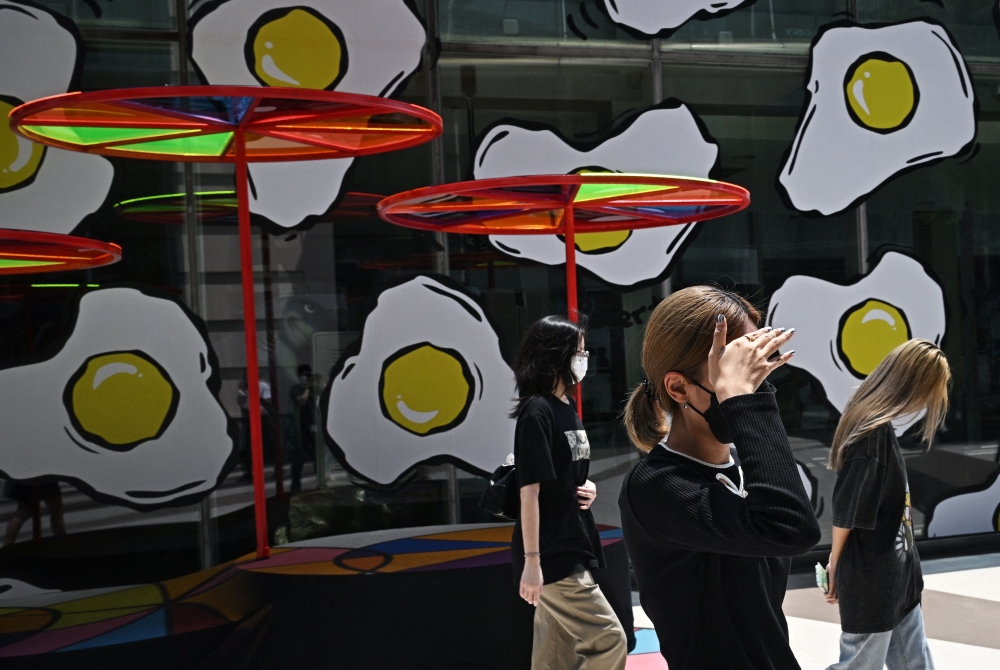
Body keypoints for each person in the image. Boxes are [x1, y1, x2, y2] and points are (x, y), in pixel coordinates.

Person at [619, 286, 820, 670]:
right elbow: (792, 529)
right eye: (734, 371)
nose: (753, 384)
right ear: (679, 387)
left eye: (756, 366)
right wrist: (746, 402)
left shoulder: (745, 468)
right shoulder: (656, 486)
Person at [823, 339, 949, 670]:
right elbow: (847, 509)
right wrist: (836, 563)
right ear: (913, 383)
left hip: (896, 576)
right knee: (859, 665)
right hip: (874, 581)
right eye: (931, 389)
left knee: (915, 663)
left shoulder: (874, 425)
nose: (930, 399)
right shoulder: (871, 432)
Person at [511, 315, 627, 670]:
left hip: (571, 540)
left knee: (555, 658)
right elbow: (528, 492)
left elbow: (563, 473)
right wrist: (532, 562)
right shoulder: (537, 411)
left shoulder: (566, 409)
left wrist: (586, 485)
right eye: (579, 351)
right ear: (555, 355)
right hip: (552, 553)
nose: (585, 358)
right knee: (609, 640)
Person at [3, 480, 66, 547]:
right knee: (56, 510)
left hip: (27, 478)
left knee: (23, 513)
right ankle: (61, 542)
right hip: (43, 477)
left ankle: (6, 546)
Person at [288, 364, 316, 493]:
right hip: (301, 427)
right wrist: (307, 390)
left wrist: (318, 384)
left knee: (317, 457)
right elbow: (301, 402)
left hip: (314, 426)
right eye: (304, 375)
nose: (306, 378)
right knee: (299, 457)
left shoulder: (315, 388)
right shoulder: (295, 389)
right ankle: (295, 484)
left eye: (308, 375)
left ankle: (319, 481)